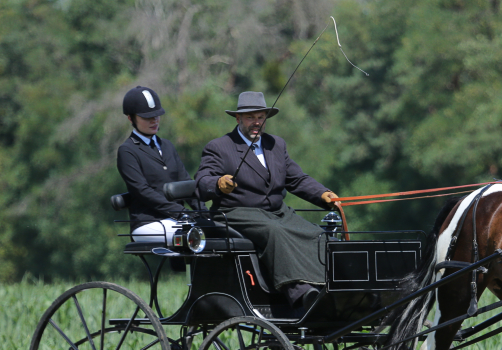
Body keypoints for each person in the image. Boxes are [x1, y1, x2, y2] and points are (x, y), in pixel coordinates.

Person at [195, 91, 339, 308]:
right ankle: (300, 293)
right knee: (275, 232)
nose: (257, 123)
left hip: (277, 213)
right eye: (251, 117)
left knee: (317, 234)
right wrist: (218, 184)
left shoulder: (276, 145)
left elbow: (297, 179)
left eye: (261, 117)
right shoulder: (220, 147)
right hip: (238, 213)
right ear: (238, 118)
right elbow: (202, 180)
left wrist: (322, 194)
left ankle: (329, 286)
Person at [117, 86, 194, 246]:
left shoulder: (167, 146)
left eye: (157, 115)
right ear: (131, 119)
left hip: (178, 220)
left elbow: (186, 184)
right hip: (148, 223)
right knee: (193, 236)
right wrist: (179, 212)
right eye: (147, 117)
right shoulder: (127, 151)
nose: (154, 121)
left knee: (217, 232)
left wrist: (205, 214)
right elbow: (142, 191)